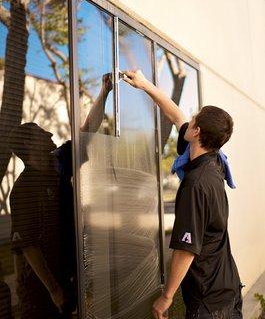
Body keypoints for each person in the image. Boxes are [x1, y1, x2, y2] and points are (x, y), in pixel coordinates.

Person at [122, 69, 243, 319]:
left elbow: (186, 250)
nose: (189, 119)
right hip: (227, 289)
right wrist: (145, 85)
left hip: (209, 303)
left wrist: (166, 298)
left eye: (194, 118)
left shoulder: (196, 184)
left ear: (197, 131)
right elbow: (175, 115)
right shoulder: (214, 161)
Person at [7, 73, 112, 318]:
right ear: (30, 147)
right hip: (41, 289)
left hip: (67, 275)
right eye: (42, 133)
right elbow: (28, 246)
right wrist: (54, 289)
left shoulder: (59, 163)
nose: (50, 134)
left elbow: (86, 132)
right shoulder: (24, 189)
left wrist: (104, 92)